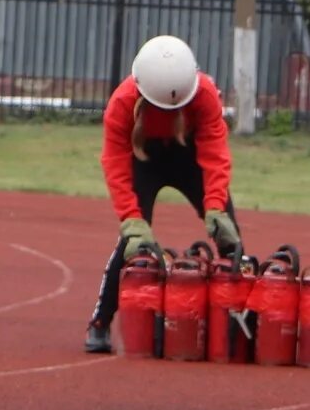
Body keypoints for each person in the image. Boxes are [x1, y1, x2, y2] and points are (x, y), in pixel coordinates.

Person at [84, 35, 242, 353]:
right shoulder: (122, 103)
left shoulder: (205, 95)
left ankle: (238, 323)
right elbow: (115, 163)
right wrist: (131, 218)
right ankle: (100, 322)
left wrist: (215, 207)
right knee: (132, 245)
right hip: (144, 161)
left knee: (230, 237)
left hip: (190, 157)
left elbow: (214, 151)